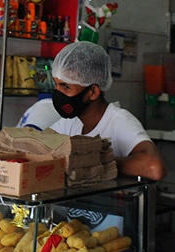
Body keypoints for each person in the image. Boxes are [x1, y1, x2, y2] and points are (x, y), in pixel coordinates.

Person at [49, 41, 166, 181]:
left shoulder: (119, 121)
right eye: (56, 85)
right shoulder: (69, 124)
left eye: (65, 87)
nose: (58, 93)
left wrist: (95, 163)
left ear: (93, 92)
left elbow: (154, 168)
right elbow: (40, 146)